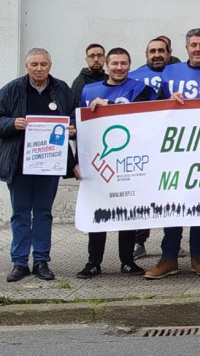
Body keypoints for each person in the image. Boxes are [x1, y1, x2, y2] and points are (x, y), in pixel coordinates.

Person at [144, 28, 200, 279]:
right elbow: (152, 108)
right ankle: (169, 258)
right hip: (175, 152)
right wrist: (167, 100)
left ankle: (198, 256)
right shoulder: (170, 72)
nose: (197, 49)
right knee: (173, 204)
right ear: (186, 48)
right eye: (193, 45)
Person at [75, 47, 153, 279]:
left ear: (130, 65)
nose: (119, 67)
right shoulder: (88, 90)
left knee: (127, 212)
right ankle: (93, 262)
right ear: (107, 65)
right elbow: (78, 126)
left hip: (129, 161)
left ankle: (127, 261)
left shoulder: (140, 88)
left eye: (124, 63)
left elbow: (144, 118)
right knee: (98, 212)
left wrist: (108, 105)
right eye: (115, 63)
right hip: (97, 162)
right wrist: (76, 161)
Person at [1, 48, 78, 282]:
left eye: (43, 64)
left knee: (44, 213)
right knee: (20, 214)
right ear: (27, 66)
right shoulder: (12, 89)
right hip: (20, 164)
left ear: (50, 65)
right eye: (34, 64)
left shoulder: (61, 89)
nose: (39, 69)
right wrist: (12, 123)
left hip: (49, 165)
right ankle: (19, 262)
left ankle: (42, 260)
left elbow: (74, 116)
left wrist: (73, 129)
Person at [129, 37, 173, 259]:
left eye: (161, 50)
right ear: (146, 54)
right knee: (143, 197)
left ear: (169, 52)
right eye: (152, 51)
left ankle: (172, 244)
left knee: (171, 197)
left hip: (170, 147)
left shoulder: (177, 75)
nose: (157, 54)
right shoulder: (134, 77)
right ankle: (139, 241)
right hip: (145, 147)